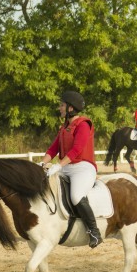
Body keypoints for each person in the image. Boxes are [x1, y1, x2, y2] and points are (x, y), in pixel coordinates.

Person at [39, 91, 102, 248]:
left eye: (62, 105)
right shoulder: (65, 127)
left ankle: (94, 231)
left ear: (70, 108)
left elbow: (77, 150)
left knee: (76, 196)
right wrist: (41, 164)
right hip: (66, 167)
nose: (59, 108)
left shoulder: (83, 125)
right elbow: (53, 149)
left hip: (83, 168)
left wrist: (58, 165)